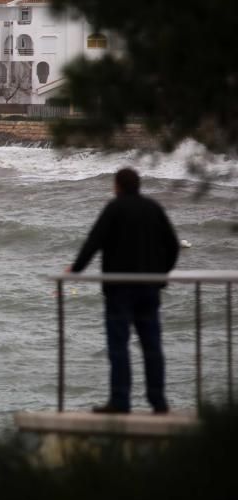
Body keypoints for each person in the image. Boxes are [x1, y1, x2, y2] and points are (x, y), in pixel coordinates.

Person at [69, 167, 179, 414]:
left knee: (119, 346)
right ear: (138, 185)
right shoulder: (153, 208)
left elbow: (93, 242)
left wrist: (75, 270)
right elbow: (172, 245)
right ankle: (158, 402)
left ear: (118, 186)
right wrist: (162, 275)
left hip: (119, 290)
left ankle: (120, 401)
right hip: (149, 289)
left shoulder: (114, 208)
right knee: (152, 346)